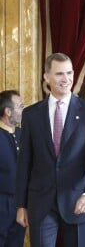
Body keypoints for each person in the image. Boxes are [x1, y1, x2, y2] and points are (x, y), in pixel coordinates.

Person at [15, 53, 85, 247]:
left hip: (79, 201)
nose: (66, 79)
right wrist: (21, 204)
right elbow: (25, 161)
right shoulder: (31, 114)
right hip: (41, 202)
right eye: (59, 74)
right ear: (46, 77)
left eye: (69, 73)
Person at [0, 90, 26, 247]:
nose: (24, 109)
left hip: (20, 205)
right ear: (8, 111)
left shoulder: (23, 134)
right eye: (20, 106)